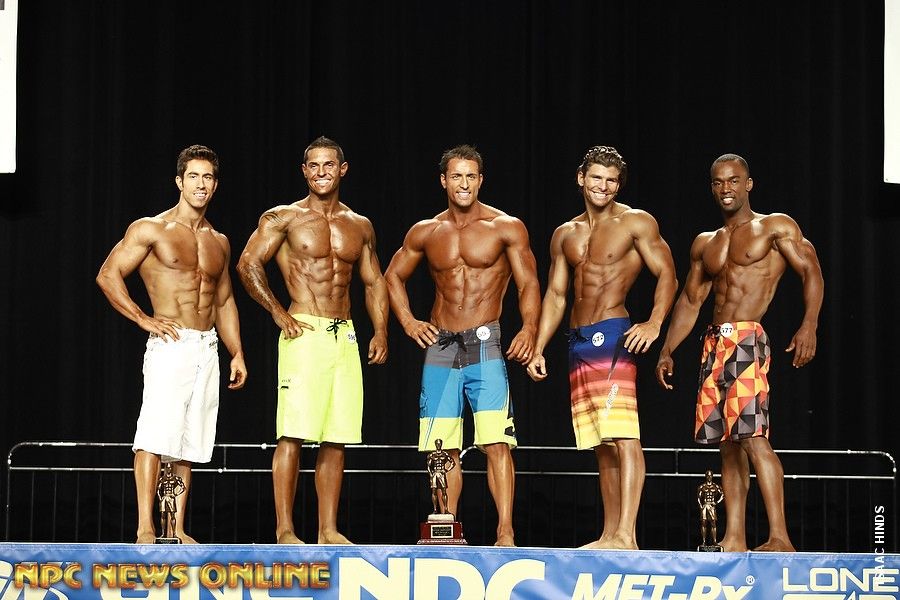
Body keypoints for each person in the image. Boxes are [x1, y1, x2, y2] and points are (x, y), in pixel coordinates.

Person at [656, 153, 823, 552]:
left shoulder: (774, 227)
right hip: (714, 342)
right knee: (728, 446)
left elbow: (811, 270)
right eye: (718, 182)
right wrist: (667, 348)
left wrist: (810, 324)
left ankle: (779, 537)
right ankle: (734, 537)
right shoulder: (706, 243)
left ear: (748, 184)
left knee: (752, 438)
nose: (725, 188)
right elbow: (691, 301)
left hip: (747, 339)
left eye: (733, 181)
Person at [385, 144, 541, 547]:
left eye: (471, 176)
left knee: (496, 442)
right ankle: (447, 526)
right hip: (441, 345)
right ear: (444, 181)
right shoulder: (426, 231)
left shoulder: (505, 227)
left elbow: (528, 284)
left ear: (481, 180)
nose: (464, 183)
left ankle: (505, 532)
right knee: (441, 446)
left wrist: (529, 329)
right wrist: (408, 322)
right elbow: (392, 276)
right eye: (457, 176)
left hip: (485, 342)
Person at [237, 136, 388, 545]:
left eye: (329, 165)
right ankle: (285, 529)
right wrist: (277, 310)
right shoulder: (284, 218)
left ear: (343, 169)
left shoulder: (359, 225)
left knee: (337, 436)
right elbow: (248, 263)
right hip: (303, 330)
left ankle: (327, 530)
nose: (321, 173)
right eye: (314, 166)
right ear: (304, 172)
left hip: (345, 334)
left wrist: (380, 330)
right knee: (293, 432)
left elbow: (373, 281)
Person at [525, 145, 677, 550]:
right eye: (596, 178)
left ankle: (627, 534)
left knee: (624, 435)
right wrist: (539, 347)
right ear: (581, 178)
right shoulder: (565, 233)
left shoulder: (635, 222)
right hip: (578, 340)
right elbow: (557, 294)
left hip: (612, 335)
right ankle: (610, 534)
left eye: (611, 180)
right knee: (602, 443)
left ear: (618, 185)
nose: (603, 186)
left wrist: (654, 322)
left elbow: (668, 274)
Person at [96, 144, 247, 544]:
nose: (201, 184)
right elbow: (108, 275)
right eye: (193, 176)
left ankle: (175, 528)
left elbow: (224, 300)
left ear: (215, 185)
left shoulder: (219, 241)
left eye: (208, 177)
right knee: (154, 435)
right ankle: (145, 527)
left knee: (188, 442)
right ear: (180, 181)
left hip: (207, 346)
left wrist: (237, 352)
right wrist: (143, 318)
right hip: (171, 342)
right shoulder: (152, 229)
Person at [427, 439, 455, 515]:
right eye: (437, 444)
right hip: (435, 473)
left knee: (444, 491)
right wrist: (431, 474)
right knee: (434, 491)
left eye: (439, 444)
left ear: (441, 444)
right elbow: (429, 466)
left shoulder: (444, 454)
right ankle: (435, 509)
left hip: (442, 473)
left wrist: (446, 470)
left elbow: (453, 463)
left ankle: (446, 509)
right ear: (435, 444)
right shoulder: (432, 455)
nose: (438, 445)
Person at [697, 470, 724, 547]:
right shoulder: (702, 487)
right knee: (704, 523)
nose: (709, 477)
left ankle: (714, 541)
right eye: (708, 475)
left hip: (712, 506)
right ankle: (704, 542)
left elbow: (722, 495)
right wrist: (701, 507)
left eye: (710, 475)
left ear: (712, 476)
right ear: (706, 476)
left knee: (713, 523)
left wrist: (716, 502)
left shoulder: (715, 486)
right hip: (705, 505)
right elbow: (698, 498)